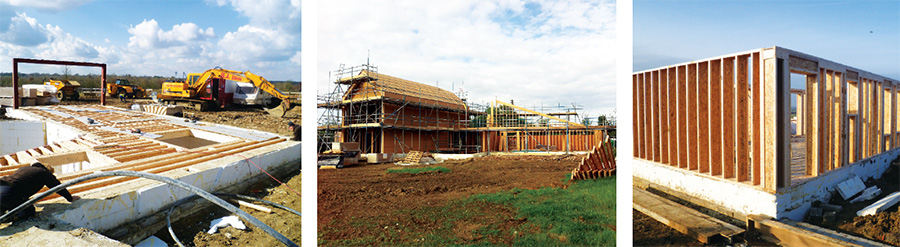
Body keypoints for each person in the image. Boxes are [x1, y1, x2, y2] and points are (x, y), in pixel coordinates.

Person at [0, 163, 80, 222]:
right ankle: (9, 218)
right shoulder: (43, 173)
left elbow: (22, 184)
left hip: (3, 187)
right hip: (9, 194)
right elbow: (56, 186)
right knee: (29, 210)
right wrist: (69, 198)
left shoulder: (24, 169)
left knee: (7, 203)